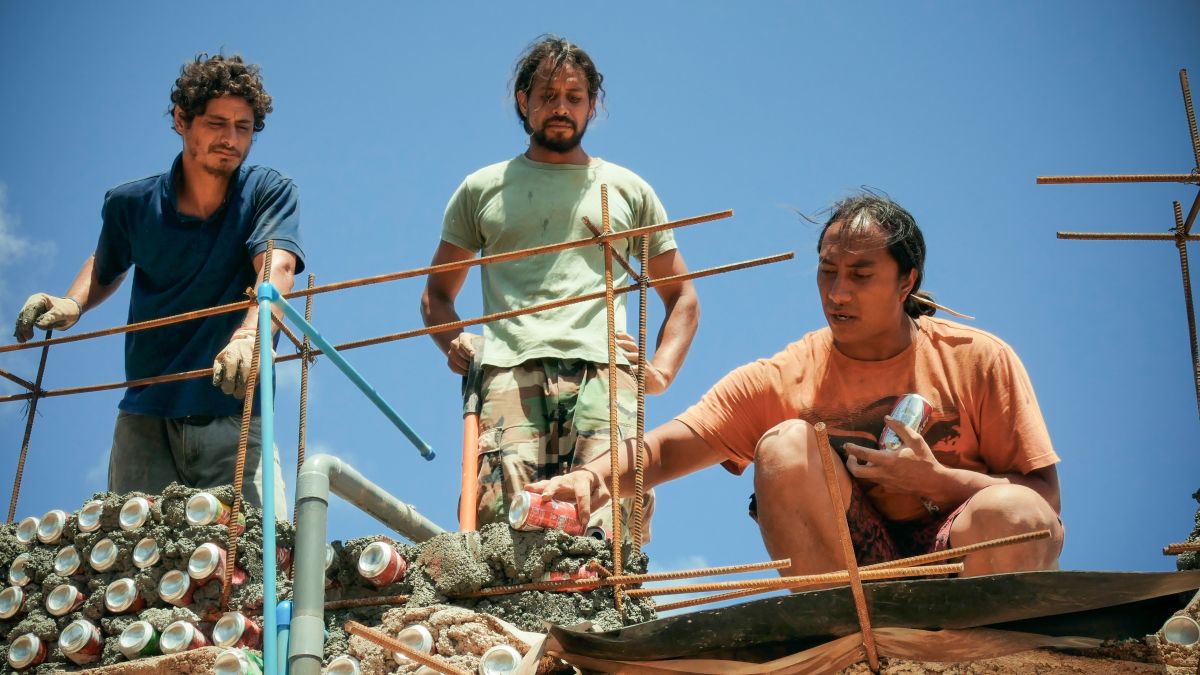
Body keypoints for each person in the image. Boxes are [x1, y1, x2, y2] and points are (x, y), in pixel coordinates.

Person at [531, 193, 1063, 577]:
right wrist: (590, 479)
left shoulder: (978, 360)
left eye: (860, 275)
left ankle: (973, 651)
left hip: (960, 565)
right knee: (786, 445)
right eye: (827, 271)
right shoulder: (788, 374)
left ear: (908, 281)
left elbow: (1043, 501)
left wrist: (936, 481)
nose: (837, 292)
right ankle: (848, 639)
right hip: (855, 578)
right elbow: (665, 449)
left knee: (1018, 517)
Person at [421, 36, 700, 539]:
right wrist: (455, 340)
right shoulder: (483, 188)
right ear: (523, 102)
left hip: (604, 373)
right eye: (548, 96)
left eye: (574, 97)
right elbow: (436, 295)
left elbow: (682, 296)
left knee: (606, 520)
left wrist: (659, 372)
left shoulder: (628, 190)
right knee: (506, 521)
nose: (561, 108)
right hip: (509, 372)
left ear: (592, 105)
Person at [12, 54, 303, 516]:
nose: (230, 139)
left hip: (233, 414)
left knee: (249, 563)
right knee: (134, 567)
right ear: (181, 120)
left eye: (243, 127)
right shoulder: (132, 205)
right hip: (145, 424)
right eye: (216, 123)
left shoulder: (266, 191)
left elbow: (276, 267)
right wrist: (71, 303)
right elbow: (106, 265)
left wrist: (251, 335)